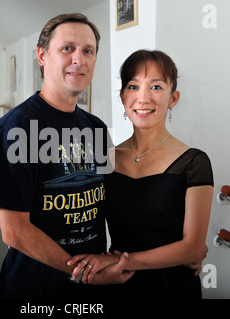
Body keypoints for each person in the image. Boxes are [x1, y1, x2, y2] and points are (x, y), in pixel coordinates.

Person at [0, 13, 133, 299]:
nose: (79, 59)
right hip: (39, 287)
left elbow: (111, 203)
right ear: (42, 55)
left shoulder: (96, 127)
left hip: (91, 279)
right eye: (68, 48)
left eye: (88, 51)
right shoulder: (19, 127)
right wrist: (88, 276)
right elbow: (14, 231)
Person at [68, 50, 214, 298]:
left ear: (173, 98)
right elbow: (78, 211)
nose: (143, 97)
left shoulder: (194, 162)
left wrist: (122, 262)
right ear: (123, 97)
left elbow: (192, 248)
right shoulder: (106, 157)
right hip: (116, 285)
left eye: (156, 87)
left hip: (172, 288)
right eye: (133, 86)